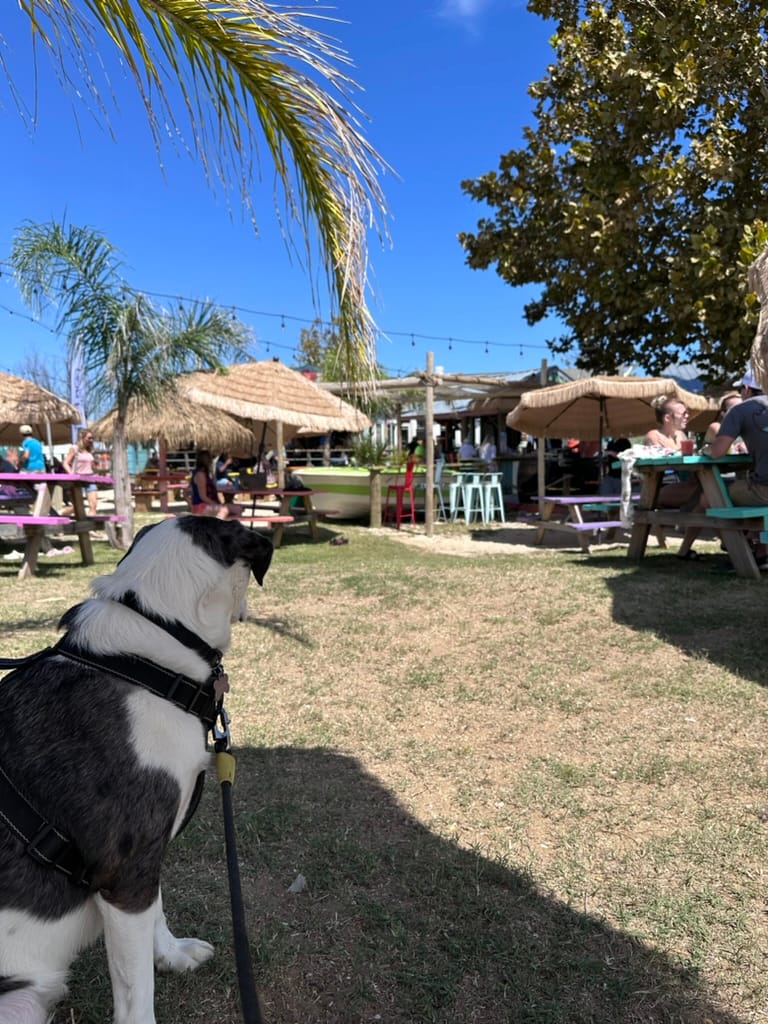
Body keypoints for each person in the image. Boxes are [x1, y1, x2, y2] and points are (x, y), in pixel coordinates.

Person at [705, 369, 768, 567]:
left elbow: (717, 451)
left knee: (711, 496)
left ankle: (741, 550)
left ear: (746, 389)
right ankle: (760, 549)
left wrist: (707, 449)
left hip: (764, 491)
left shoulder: (740, 410)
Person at [643, 396, 701, 510]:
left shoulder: (681, 435)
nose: (687, 416)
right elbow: (659, 465)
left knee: (709, 490)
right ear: (667, 418)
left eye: (687, 413)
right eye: (683, 414)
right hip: (659, 489)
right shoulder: (654, 436)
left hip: (684, 485)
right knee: (707, 492)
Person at [189, 450, 241, 519]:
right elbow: (203, 497)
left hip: (209, 505)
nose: (211, 461)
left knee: (238, 509)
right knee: (224, 510)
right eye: (210, 459)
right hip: (201, 506)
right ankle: (218, 524)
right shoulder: (200, 475)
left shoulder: (206, 473)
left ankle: (225, 523)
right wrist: (217, 504)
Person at [63, 427, 99, 515]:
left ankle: (91, 523)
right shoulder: (74, 448)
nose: (91, 440)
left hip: (90, 478)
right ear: (82, 438)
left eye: (92, 438)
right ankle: (63, 515)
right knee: (77, 507)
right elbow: (65, 463)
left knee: (93, 505)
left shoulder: (90, 450)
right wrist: (71, 474)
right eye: (89, 438)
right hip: (77, 478)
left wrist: (95, 465)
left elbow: (92, 466)